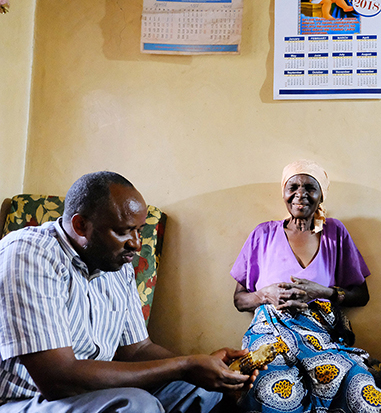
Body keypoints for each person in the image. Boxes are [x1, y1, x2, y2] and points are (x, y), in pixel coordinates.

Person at [0, 171, 255, 413]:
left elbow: (136, 350)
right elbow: (58, 380)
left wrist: (204, 368)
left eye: (138, 230)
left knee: (202, 390)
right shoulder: (29, 255)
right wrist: (184, 366)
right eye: (122, 232)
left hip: (93, 394)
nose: (135, 243)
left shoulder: (116, 262)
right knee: (136, 406)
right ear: (80, 226)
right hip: (27, 400)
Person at [231, 160, 381, 413]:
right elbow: (239, 301)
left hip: (320, 334)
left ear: (320, 195)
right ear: (283, 192)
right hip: (270, 332)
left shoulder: (335, 232)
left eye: (309, 188)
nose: (300, 194)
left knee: (361, 389)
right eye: (293, 186)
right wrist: (264, 295)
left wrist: (323, 292)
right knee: (274, 391)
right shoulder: (263, 234)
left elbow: (361, 295)